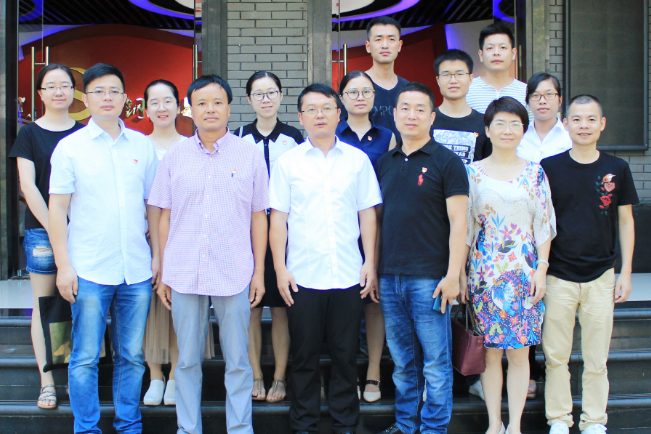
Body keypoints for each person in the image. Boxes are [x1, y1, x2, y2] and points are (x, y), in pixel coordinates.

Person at [148, 74, 268, 434]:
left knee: (238, 360)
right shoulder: (175, 156)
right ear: (190, 109)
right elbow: (164, 216)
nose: (210, 109)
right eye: (201, 103)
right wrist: (163, 269)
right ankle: (188, 428)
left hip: (234, 272)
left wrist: (259, 272)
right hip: (184, 271)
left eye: (217, 102)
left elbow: (258, 216)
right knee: (186, 361)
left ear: (229, 107)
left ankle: (240, 427)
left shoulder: (249, 154)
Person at [48, 63, 160, 433]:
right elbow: (57, 210)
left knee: (132, 356)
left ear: (125, 97)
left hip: (136, 269)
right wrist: (64, 266)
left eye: (114, 91)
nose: (107, 97)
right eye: (98, 91)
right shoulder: (70, 148)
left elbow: (153, 206)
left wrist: (158, 257)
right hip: (89, 269)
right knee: (84, 357)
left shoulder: (142, 146)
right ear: (87, 99)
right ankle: (87, 428)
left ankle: (129, 425)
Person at [269, 83, 382, 434]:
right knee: (303, 355)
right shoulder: (288, 163)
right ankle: (303, 423)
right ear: (300, 117)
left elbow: (368, 214)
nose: (319, 115)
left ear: (338, 114)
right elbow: (278, 220)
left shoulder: (357, 160)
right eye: (311, 109)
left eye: (326, 108)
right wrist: (280, 268)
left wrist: (370, 263)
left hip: (348, 273)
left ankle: (345, 422)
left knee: (345, 354)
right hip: (302, 275)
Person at [540, 95, 638, 434]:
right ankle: (559, 419)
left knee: (597, 358)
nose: (584, 125)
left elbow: (625, 221)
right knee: (556, 356)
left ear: (602, 124)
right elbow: (541, 222)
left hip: (601, 275)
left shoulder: (617, 168)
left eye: (591, 119)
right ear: (565, 123)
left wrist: (625, 272)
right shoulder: (549, 168)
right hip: (558, 275)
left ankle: (594, 420)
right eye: (577, 119)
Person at [375, 82, 469, 434]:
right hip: (390, 277)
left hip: (431, 279)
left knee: (435, 363)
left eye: (419, 109)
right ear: (395, 114)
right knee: (403, 362)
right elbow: (378, 221)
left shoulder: (447, 162)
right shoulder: (385, 163)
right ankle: (406, 424)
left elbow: (460, 222)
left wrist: (453, 274)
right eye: (405, 108)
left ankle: (433, 428)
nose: (411, 115)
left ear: (432, 117)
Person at [462, 97, 556, 434]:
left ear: (523, 130)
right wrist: (460, 274)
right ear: (487, 130)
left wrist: (541, 269)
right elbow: (465, 229)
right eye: (500, 123)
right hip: (484, 275)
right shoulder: (472, 173)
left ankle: (514, 425)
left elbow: (543, 225)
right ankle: (494, 424)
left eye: (515, 123)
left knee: (519, 353)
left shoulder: (535, 172)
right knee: (489, 353)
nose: (507, 129)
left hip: (524, 275)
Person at [9, 63, 84, 410]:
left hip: (83, 230)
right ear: (40, 93)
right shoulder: (29, 134)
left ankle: (76, 377)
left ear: (74, 92)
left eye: (65, 85)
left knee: (81, 304)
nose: (58, 91)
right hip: (43, 230)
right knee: (44, 306)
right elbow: (28, 186)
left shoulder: (85, 133)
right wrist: (58, 229)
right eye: (50, 85)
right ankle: (47, 382)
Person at [141, 79, 215, 407]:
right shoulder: (137, 146)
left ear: (179, 106)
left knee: (180, 309)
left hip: (185, 239)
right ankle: (155, 375)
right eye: (154, 102)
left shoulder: (191, 146)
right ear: (145, 108)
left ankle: (174, 376)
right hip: (142, 240)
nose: (161, 108)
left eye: (168, 101)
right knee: (149, 310)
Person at [233, 71, 303, 403]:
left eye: (271, 92)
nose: (266, 99)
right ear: (249, 99)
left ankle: (279, 377)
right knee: (249, 306)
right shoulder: (238, 137)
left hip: (283, 231)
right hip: (245, 233)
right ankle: (255, 375)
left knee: (280, 307)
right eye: (259, 94)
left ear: (280, 95)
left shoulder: (294, 137)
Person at [336, 70, 395, 403]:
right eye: (352, 92)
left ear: (374, 97)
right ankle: (346, 374)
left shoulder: (388, 136)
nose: (360, 97)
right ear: (341, 98)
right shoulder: (332, 133)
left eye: (366, 92)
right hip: (339, 229)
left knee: (374, 301)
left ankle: (373, 371)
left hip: (379, 228)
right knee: (344, 305)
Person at [432, 49, 491, 164]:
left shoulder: (485, 123)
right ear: (438, 80)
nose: (453, 80)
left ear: (470, 78)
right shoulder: (425, 120)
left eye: (459, 74)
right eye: (446, 74)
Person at [466, 22, 528, 115]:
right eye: (490, 48)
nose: (496, 53)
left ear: (513, 53)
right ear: (481, 55)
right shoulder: (466, 89)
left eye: (503, 47)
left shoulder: (526, 92)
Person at [365, 16, 409, 141]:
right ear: (368, 46)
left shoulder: (408, 89)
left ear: (399, 45)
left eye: (391, 39)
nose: (385, 45)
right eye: (378, 39)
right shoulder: (354, 87)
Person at [517, 72, 572, 164]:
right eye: (535, 95)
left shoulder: (570, 136)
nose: (542, 101)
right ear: (528, 102)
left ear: (560, 100)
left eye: (549, 94)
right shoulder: (518, 134)